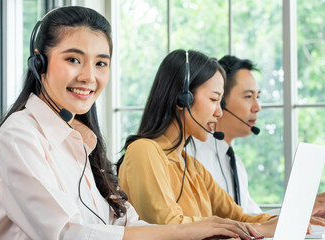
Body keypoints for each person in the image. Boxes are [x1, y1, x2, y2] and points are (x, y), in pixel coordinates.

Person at [0, 7, 270, 240]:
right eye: (73, 59)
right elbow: (65, 233)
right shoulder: (20, 134)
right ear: (39, 63)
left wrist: (204, 232)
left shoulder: (83, 142)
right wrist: (184, 231)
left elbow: (126, 221)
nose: (89, 76)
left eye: (100, 63)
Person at [116, 49, 289, 238]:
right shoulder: (144, 151)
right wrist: (259, 230)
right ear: (183, 98)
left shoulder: (192, 167)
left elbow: (240, 216)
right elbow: (169, 225)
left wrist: (289, 220)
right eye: (214, 99)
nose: (219, 112)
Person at [188, 55, 325, 219]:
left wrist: (301, 214)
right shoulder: (191, 154)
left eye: (257, 97)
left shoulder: (235, 163)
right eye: (248, 96)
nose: (257, 107)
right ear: (220, 100)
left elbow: (253, 219)